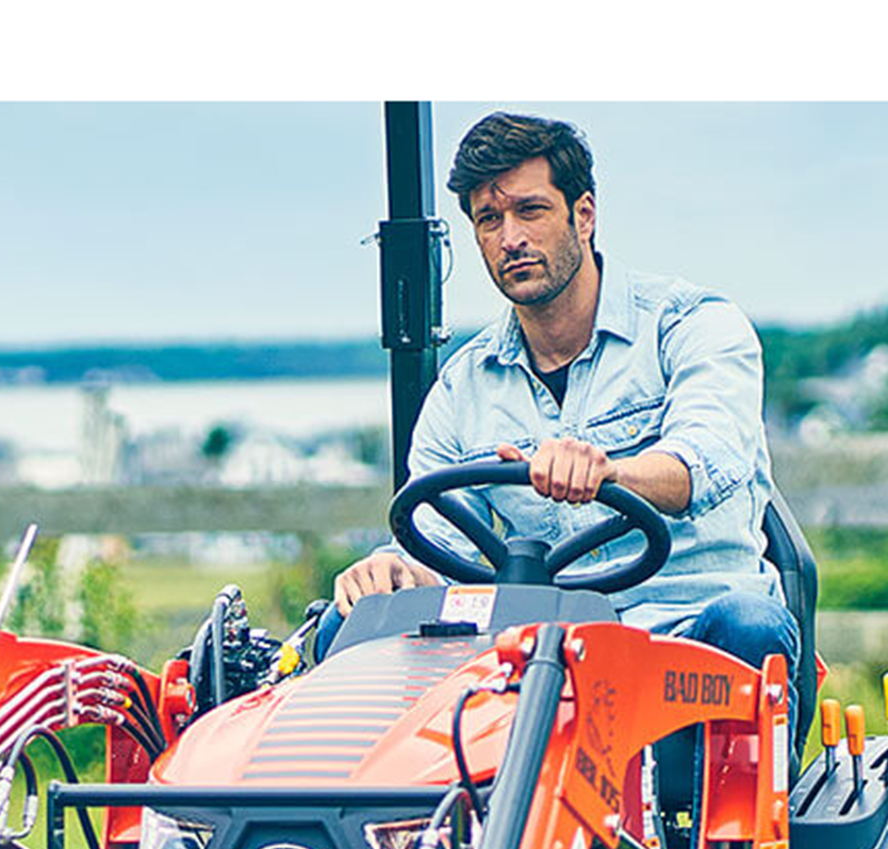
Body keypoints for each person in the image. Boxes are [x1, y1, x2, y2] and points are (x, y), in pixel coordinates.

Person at [328, 111, 797, 674]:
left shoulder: (691, 327)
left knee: (750, 622)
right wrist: (392, 572)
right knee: (348, 622)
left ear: (584, 215)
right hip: (544, 657)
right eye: (489, 219)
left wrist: (611, 473)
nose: (511, 239)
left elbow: (705, 464)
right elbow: (436, 542)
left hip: (690, 635)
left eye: (530, 210)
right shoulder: (463, 387)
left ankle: (732, 763)